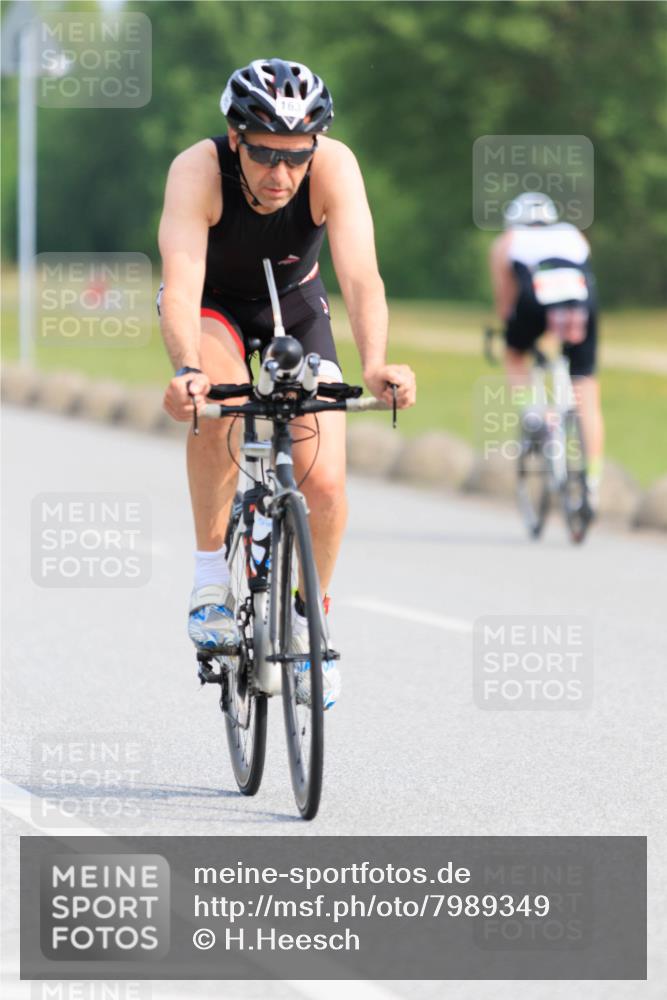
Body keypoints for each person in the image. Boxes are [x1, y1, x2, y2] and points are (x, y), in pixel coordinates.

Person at [157, 58, 416, 708]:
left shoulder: (334, 167)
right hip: (211, 306)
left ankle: (307, 622)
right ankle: (210, 578)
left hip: (294, 308)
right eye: (266, 154)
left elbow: (360, 278)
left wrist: (378, 362)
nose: (281, 175)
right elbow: (182, 286)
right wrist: (187, 370)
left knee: (324, 482)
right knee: (220, 400)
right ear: (236, 136)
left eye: (296, 157)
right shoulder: (197, 170)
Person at [489, 192, 604, 509]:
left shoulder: (507, 241)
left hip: (536, 303)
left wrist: (512, 333)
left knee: (514, 354)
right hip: (582, 305)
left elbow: (506, 303)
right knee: (586, 388)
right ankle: (592, 481)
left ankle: (534, 416)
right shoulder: (572, 234)